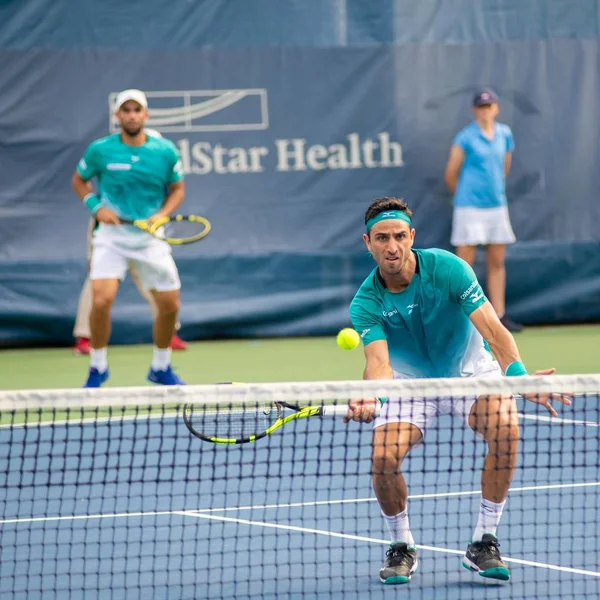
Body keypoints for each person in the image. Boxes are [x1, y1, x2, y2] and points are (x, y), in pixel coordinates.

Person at [344, 197, 571, 585]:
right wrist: (373, 397)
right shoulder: (366, 302)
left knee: (506, 428)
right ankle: (402, 546)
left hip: (470, 375)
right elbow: (379, 363)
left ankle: (484, 540)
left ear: (411, 236)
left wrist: (518, 377)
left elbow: (494, 331)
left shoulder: (449, 269)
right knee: (383, 458)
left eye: (399, 236)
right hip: (411, 385)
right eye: (382, 238)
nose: (392, 246)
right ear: (367, 242)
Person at [71, 89, 186, 387]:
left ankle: (161, 367)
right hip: (111, 236)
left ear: (145, 115)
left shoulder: (165, 151)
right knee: (102, 299)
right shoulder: (100, 149)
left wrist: (161, 215)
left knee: (170, 306)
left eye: (137, 110)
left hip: (150, 237)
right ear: (117, 116)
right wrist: (96, 208)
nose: (132, 115)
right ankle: (97, 367)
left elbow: (177, 190)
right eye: (126, 110)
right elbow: (79, 181)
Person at [444, 88, 523, 332]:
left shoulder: (504, 134)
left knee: (497, 262)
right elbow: (451, 174)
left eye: (489, 106)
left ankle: (499, 316)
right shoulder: (465, 137)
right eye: (481, 106)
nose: (485, 110)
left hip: (496, 207)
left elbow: (503, 167)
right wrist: (467, 197)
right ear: (474, 110)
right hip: (469, 208)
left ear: (496, 108)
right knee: (463, 266)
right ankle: (459, 317)